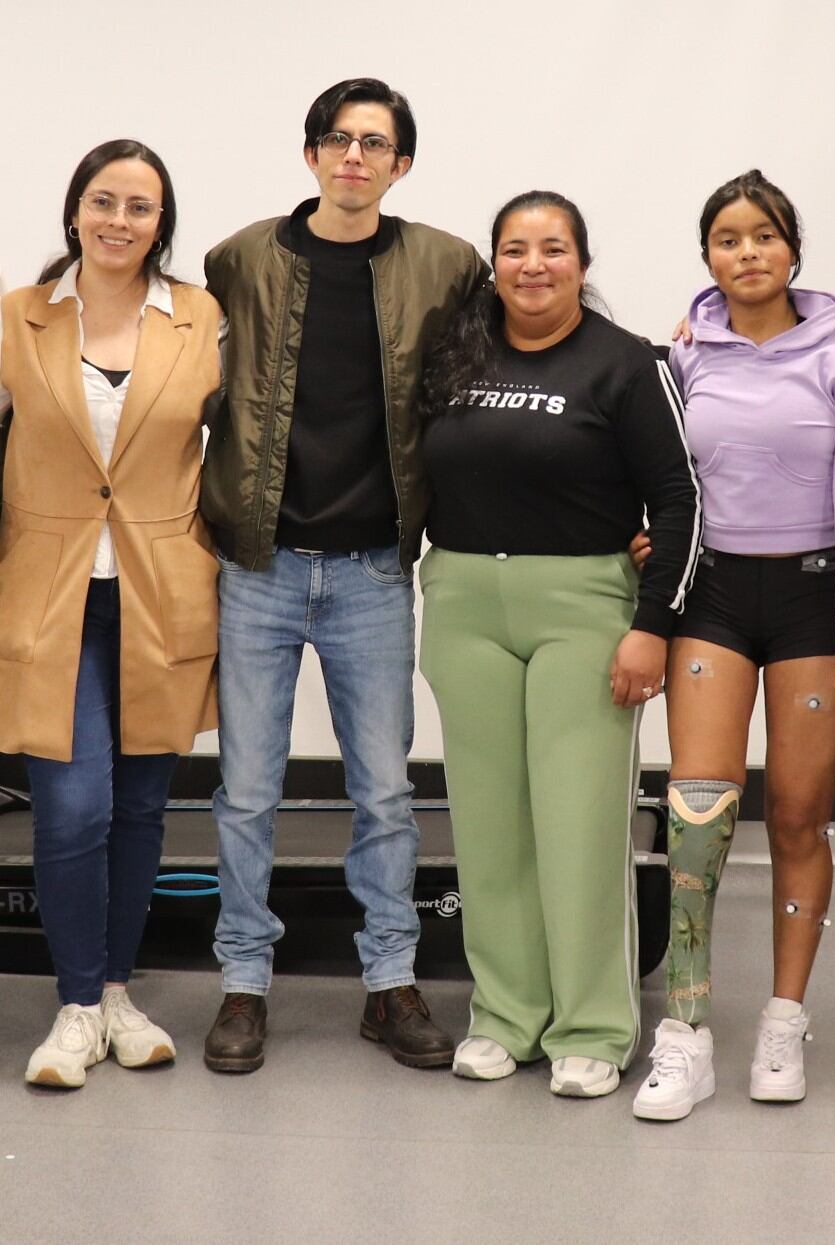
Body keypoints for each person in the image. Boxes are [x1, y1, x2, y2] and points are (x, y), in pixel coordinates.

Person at [200, 79, 488, 1073]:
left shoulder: (447, 265)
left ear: (400, 162)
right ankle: (243, 984)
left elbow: (494, 388)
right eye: (337, 139)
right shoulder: (240, 259)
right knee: (244, 793)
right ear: (312, 153)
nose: (354, 156)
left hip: (372, 572)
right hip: (260, 568)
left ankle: (388, 982)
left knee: (385, 795)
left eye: (375, 143)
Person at [417, 190, 700, 1097]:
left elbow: (680, 501)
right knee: (491, 829)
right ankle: (505, 1015)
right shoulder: (454, 355)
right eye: (514, 249)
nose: (532, 265)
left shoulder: (623, 364)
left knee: (579, 827)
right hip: (464, 601)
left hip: (584, 605)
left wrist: (650, 626)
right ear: (492, 263)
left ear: (583, 261)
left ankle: (592, 1024)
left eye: (553, 248)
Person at [631, 170, 835, 1121]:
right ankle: (687, 1027)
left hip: (815, 601)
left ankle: (785, 1016)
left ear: (793, 249)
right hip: (715, 592)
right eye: (728, 239)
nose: (747, 253)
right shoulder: (687, 351)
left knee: (795, 814)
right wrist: (642, 535)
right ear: (708, 256)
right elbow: (664, 471)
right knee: (699, 809)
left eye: (764, 237)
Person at [0, 141, 220, 1086]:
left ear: (161, 222)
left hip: (162, 590)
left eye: (140, 206)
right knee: (71, 807)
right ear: (75, 209)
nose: (120, 220)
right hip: (48, 588)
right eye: (104, 201)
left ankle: (120, 994)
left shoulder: (202, 318)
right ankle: (76, 1006)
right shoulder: (19, 316)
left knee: (138, 809)